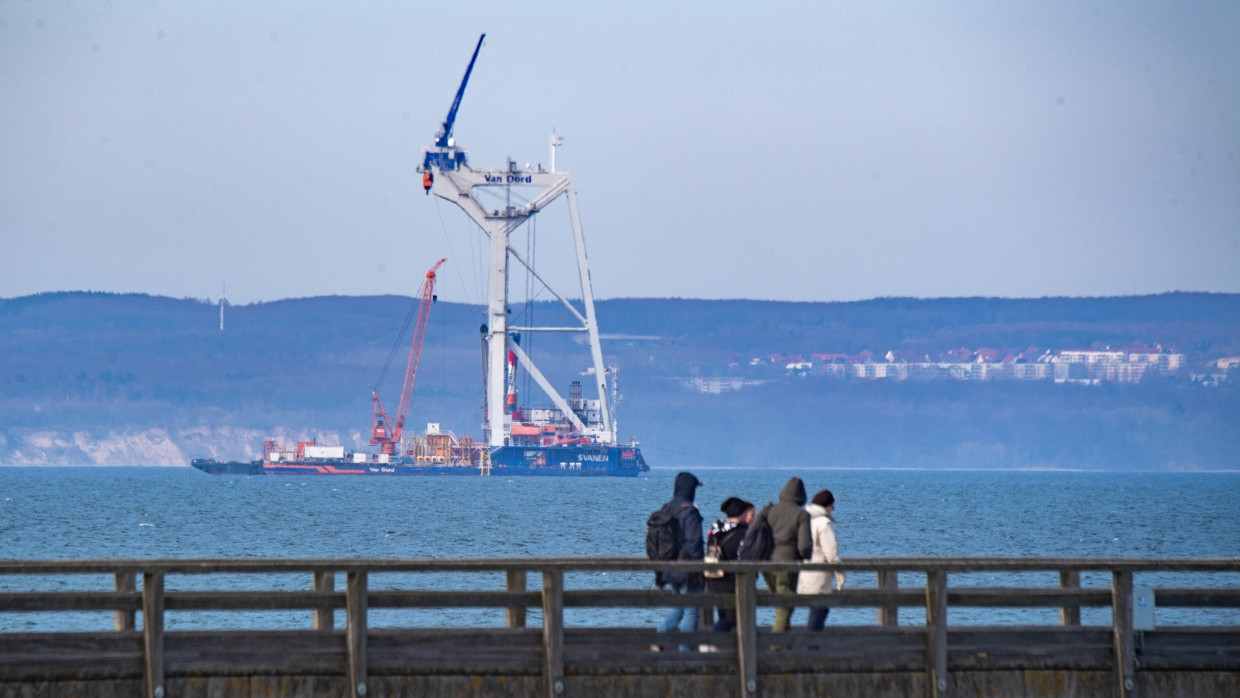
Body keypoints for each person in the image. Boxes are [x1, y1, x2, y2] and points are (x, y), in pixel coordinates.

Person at [655, 471, 704, 644]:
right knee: (691, 610)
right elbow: (694, 543)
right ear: (690, 489)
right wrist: (700, 568)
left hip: (670, 566)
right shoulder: (689, 511)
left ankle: (658, 640)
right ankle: (687, 651)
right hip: (688, 568)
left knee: (677, 607)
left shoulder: (667, 508)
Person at [764, 476, 812, 633]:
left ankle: (785, 642)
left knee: (780, 602)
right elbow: (804, 545)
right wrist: (806, 556)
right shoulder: (801, 514)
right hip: (787, 562)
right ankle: (777, 643)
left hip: (766, 562)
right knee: (785, 604)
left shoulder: (769, 510)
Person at [704, 497, 754, 632]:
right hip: (733, 581)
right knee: (732, 619)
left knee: (724, 615)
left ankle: (725, 648)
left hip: (714, 578)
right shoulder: (742, 533)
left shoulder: (716, 529)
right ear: (743, 513)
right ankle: (710, 642)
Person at [798, 489, 845, 631]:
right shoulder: (823, 523)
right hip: (819, 574)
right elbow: (831, 553)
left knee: (815, 609)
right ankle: (811, 647)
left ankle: (810, 646)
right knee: (819, 610)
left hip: (804, 573)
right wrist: (840, 573)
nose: (833, 509)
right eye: (832, 506)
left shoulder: (803, 520)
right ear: (828, 505)